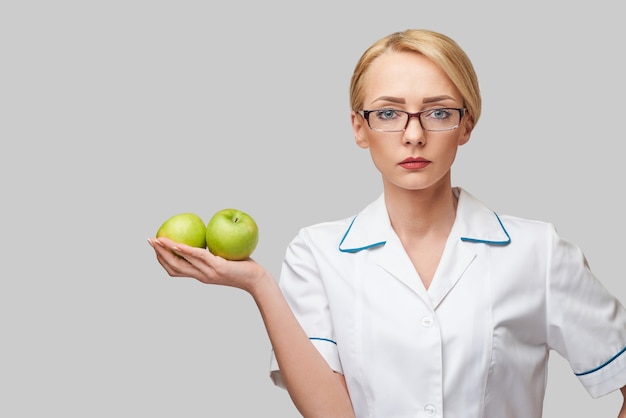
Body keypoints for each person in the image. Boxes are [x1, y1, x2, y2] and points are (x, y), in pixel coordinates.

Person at [148, 29, 626, 417]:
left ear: (467, 125)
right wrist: (257, 283)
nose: (414, 135)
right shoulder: (317, 253)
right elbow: (331, 415)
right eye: (389, 113)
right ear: (360, 127)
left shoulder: (535, 251)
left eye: (438, 112)